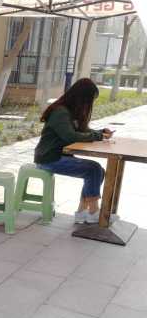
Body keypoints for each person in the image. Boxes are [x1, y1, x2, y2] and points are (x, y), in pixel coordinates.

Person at [34, 77, 112, 224]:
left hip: (57, 157)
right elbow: (70, 136)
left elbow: (81, 130)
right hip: (48, 159)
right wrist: (98, 136)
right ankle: (93, 211)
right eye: (89, 101)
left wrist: (100, 132)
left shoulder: (70, 111)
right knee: (94, 169)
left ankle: (82, 212)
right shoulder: (61, 112)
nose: (89, 105)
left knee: (98, 171)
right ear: (81, 98)